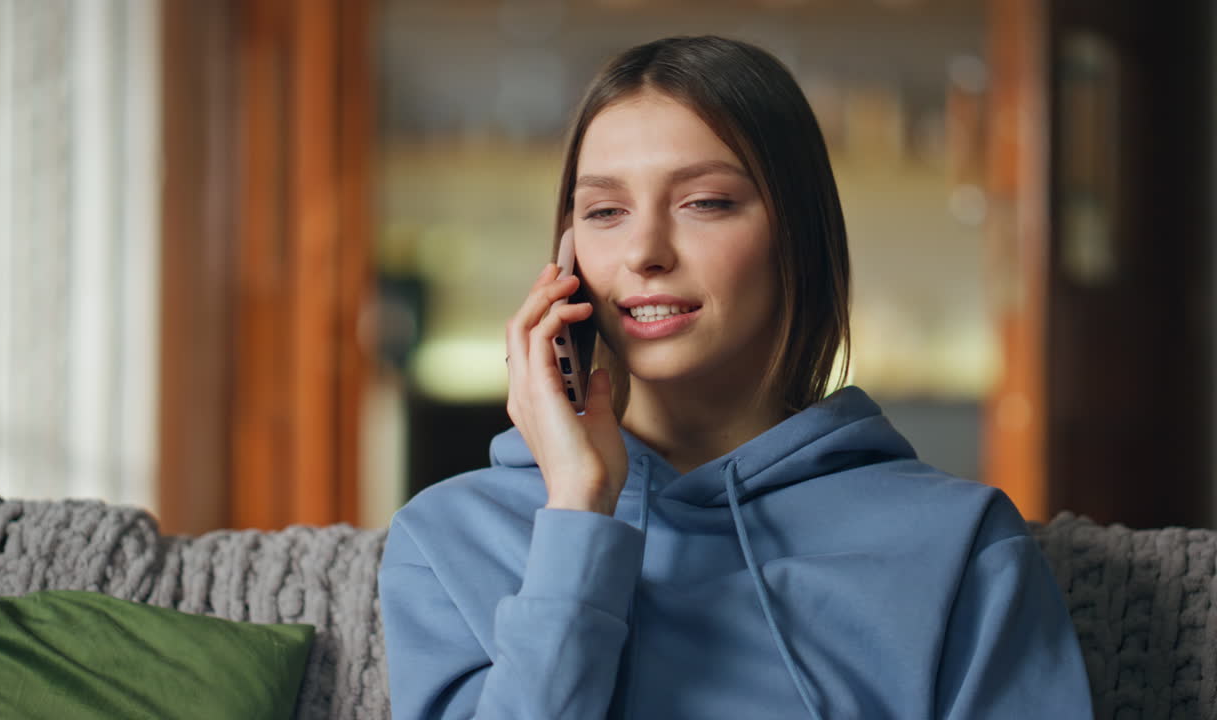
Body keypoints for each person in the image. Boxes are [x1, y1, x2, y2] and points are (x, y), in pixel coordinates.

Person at [380, 35, 1093, 719]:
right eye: (604, 212)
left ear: (797, 234)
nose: (645, 252)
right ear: (566, 259)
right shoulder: (448, 538)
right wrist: (578, 513)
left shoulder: (959, 542)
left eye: (706, 203)